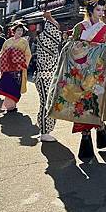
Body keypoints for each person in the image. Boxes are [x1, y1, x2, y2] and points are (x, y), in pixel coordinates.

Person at [46, 0, 106, 160]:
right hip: (80, 74)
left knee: (94, 103)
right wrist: (87, 50)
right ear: (91, 10)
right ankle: (87, 136)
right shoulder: (79, 28)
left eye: (103, 10)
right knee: (81, 106)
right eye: (99, 9)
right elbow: (70, 47)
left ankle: (98, 130)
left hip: (98, 76)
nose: (102, 13)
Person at [34, 11, 61, 143]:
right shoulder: (49, 39)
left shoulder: (43, 37)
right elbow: (55, 26)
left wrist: (49, 18)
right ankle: (44, 131)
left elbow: (54, 25)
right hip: (46, 77)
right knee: (47, 104)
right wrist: (49, 18)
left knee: (46, 103)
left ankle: (45, 130)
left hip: (44, 76)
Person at [0, 21, 31, 112]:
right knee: (8, 85)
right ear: (13, 31)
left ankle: (12, 104)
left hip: (18, 68)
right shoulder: (7, 41)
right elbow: (2, 53)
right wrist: (7, 56)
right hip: (8, 68)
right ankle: (10, 105)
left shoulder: (24, 42)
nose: (20, 32)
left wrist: (23, 64)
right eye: (18, 30)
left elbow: (28, 54)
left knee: (15, 86)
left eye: (21, 31)